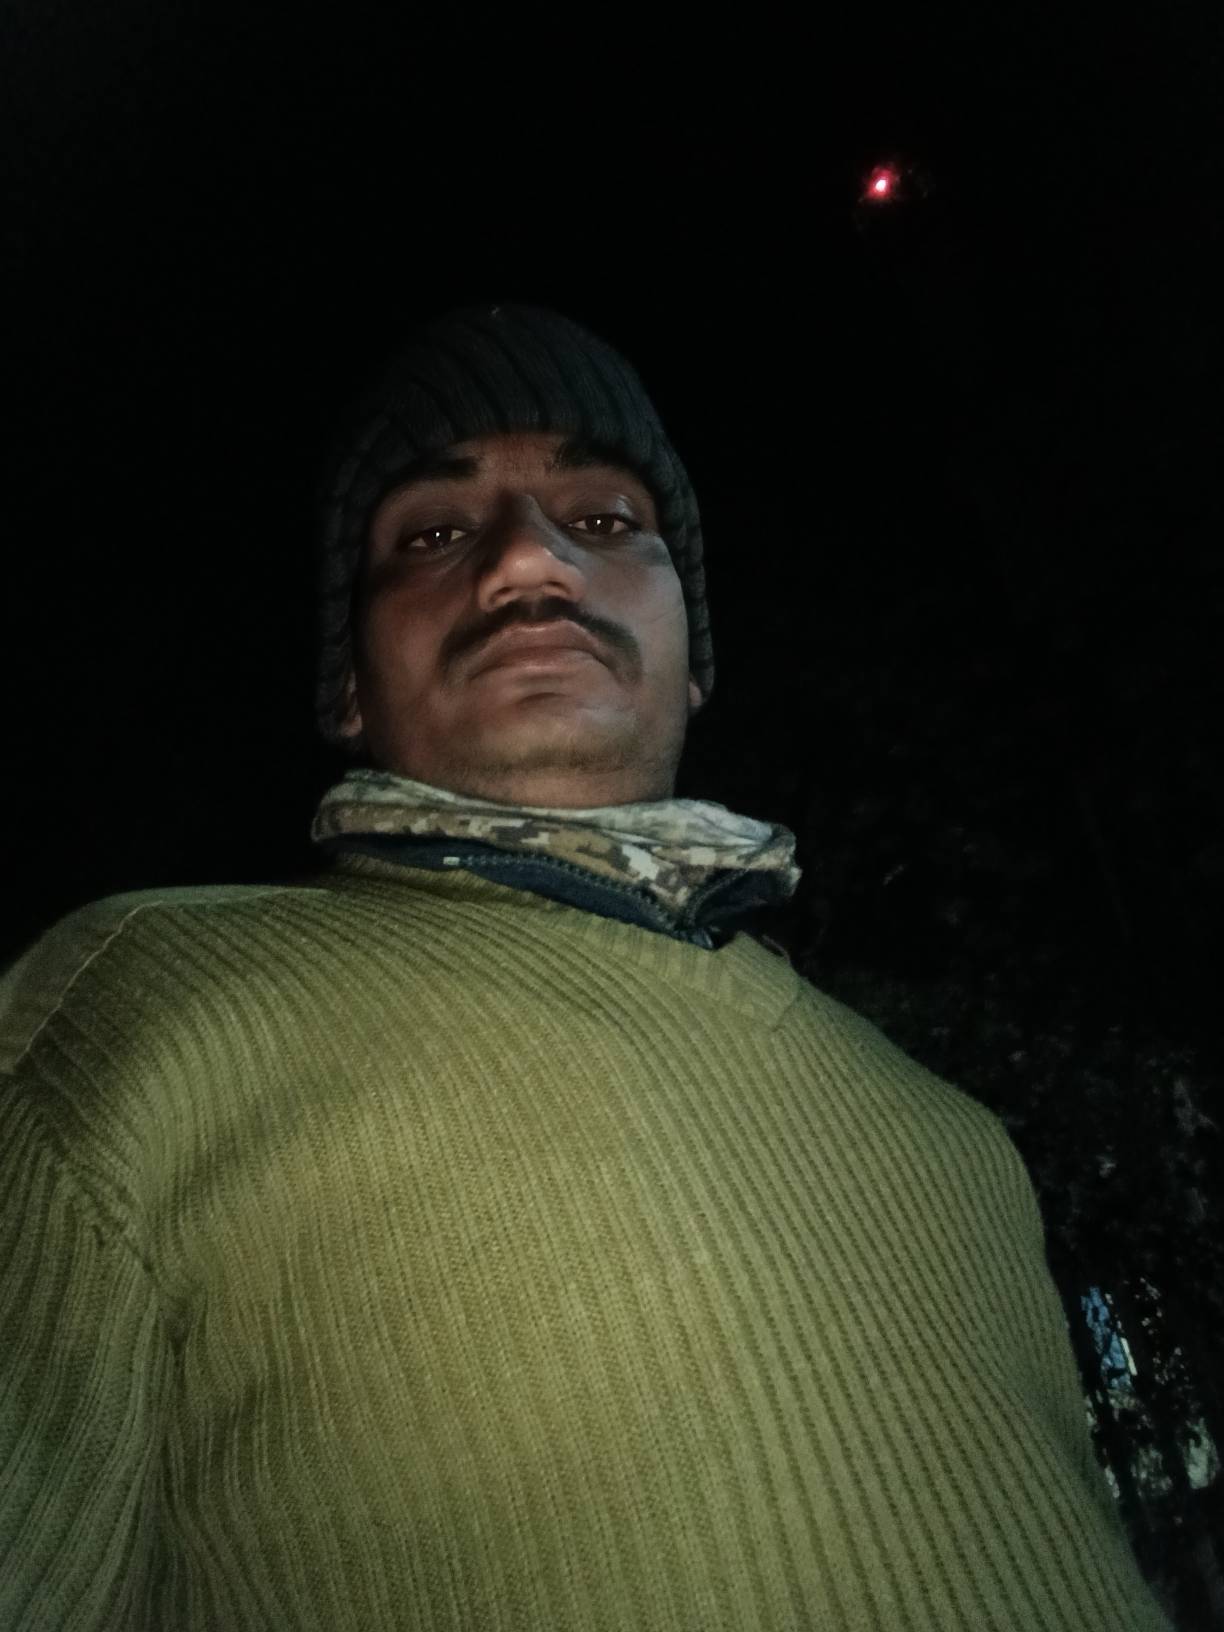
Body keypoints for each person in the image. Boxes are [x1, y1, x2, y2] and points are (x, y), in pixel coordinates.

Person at [0, 305, 1175, 1630]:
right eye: (431, 535)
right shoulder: (132, 1008)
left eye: (606, 519)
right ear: (348, 685)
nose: (526, 561)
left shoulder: (958, 1140)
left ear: (694, 655)